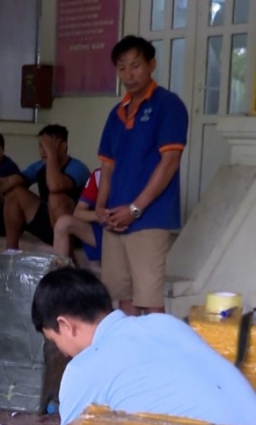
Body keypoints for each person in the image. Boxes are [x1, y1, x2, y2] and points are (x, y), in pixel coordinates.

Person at [31, 267, 256, 425]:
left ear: (65, 325)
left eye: (53, 340)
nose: (62, 352)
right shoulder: (166, 323)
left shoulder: (84, 368)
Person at [96, 36, 188, 316]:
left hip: (149, 217)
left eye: (135, 65)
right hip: (115, 217)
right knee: (122, 296)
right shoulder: (116, 114)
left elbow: (170, 162)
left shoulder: (168, 105)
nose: (129, 74)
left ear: (152, 65)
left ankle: (156, 346)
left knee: (149, 297)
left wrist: (135, 209)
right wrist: (100, 207)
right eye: (122, 67)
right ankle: (132, 345)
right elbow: (108, 167)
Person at [0, 125, 90, 249]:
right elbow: (7, 182)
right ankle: (11, 251)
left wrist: (51, 154)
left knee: (56, 198)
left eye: (48, 146)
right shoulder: (39, 166)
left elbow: (55, 186)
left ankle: (66, 253)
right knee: (15, 192)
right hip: (49, 224)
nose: (43, 151)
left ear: (63, 146)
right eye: (41, 146)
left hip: (75, 229)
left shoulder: (78, 168)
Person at [52, 167, 103, 266]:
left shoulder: (134, 174)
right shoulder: (99, 174)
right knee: (63, 223)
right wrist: (101, 216)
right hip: (103, 230)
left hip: (129, 231)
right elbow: (78, 212)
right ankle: (61, 273)